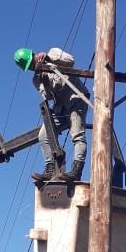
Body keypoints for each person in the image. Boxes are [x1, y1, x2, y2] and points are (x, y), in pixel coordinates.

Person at [14, 46, 89, 182]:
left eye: (32, 62)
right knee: (43, 135)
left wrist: (49, 59)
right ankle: (50, 168)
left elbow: (71, 61)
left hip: (76, 99)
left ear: (34, 54)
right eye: (30, 67)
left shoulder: (53, 53)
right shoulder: (36, 80)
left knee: (77, 134)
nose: (33, 66)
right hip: (61, 107)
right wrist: (44, 81)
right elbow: (48, 97)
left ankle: (77, 170)